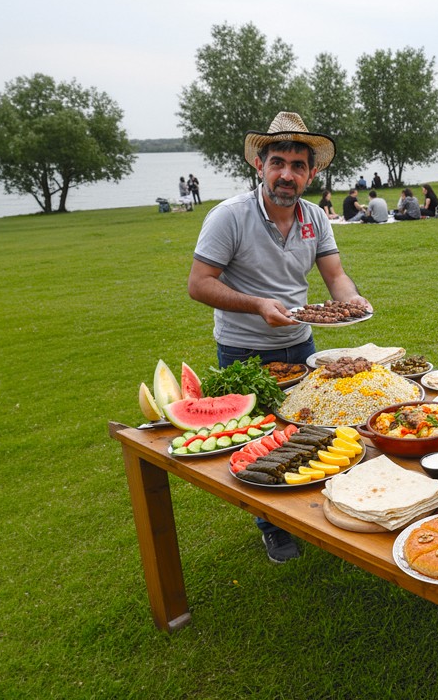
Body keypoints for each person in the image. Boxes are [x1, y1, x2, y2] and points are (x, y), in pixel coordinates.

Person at [187, 110, 372, 563]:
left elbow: (336, 277)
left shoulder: (315, 218)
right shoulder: (229, 216)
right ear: (260, 165)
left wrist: (353, 301)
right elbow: (199, 283)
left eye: (297, 165)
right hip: (244, 349)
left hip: (302, 345)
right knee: (260, 441)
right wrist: (257, 304)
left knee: (308, 431)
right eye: (278, 163)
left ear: (311, 173)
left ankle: (309, 512)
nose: (286, 174)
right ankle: (272, 526)